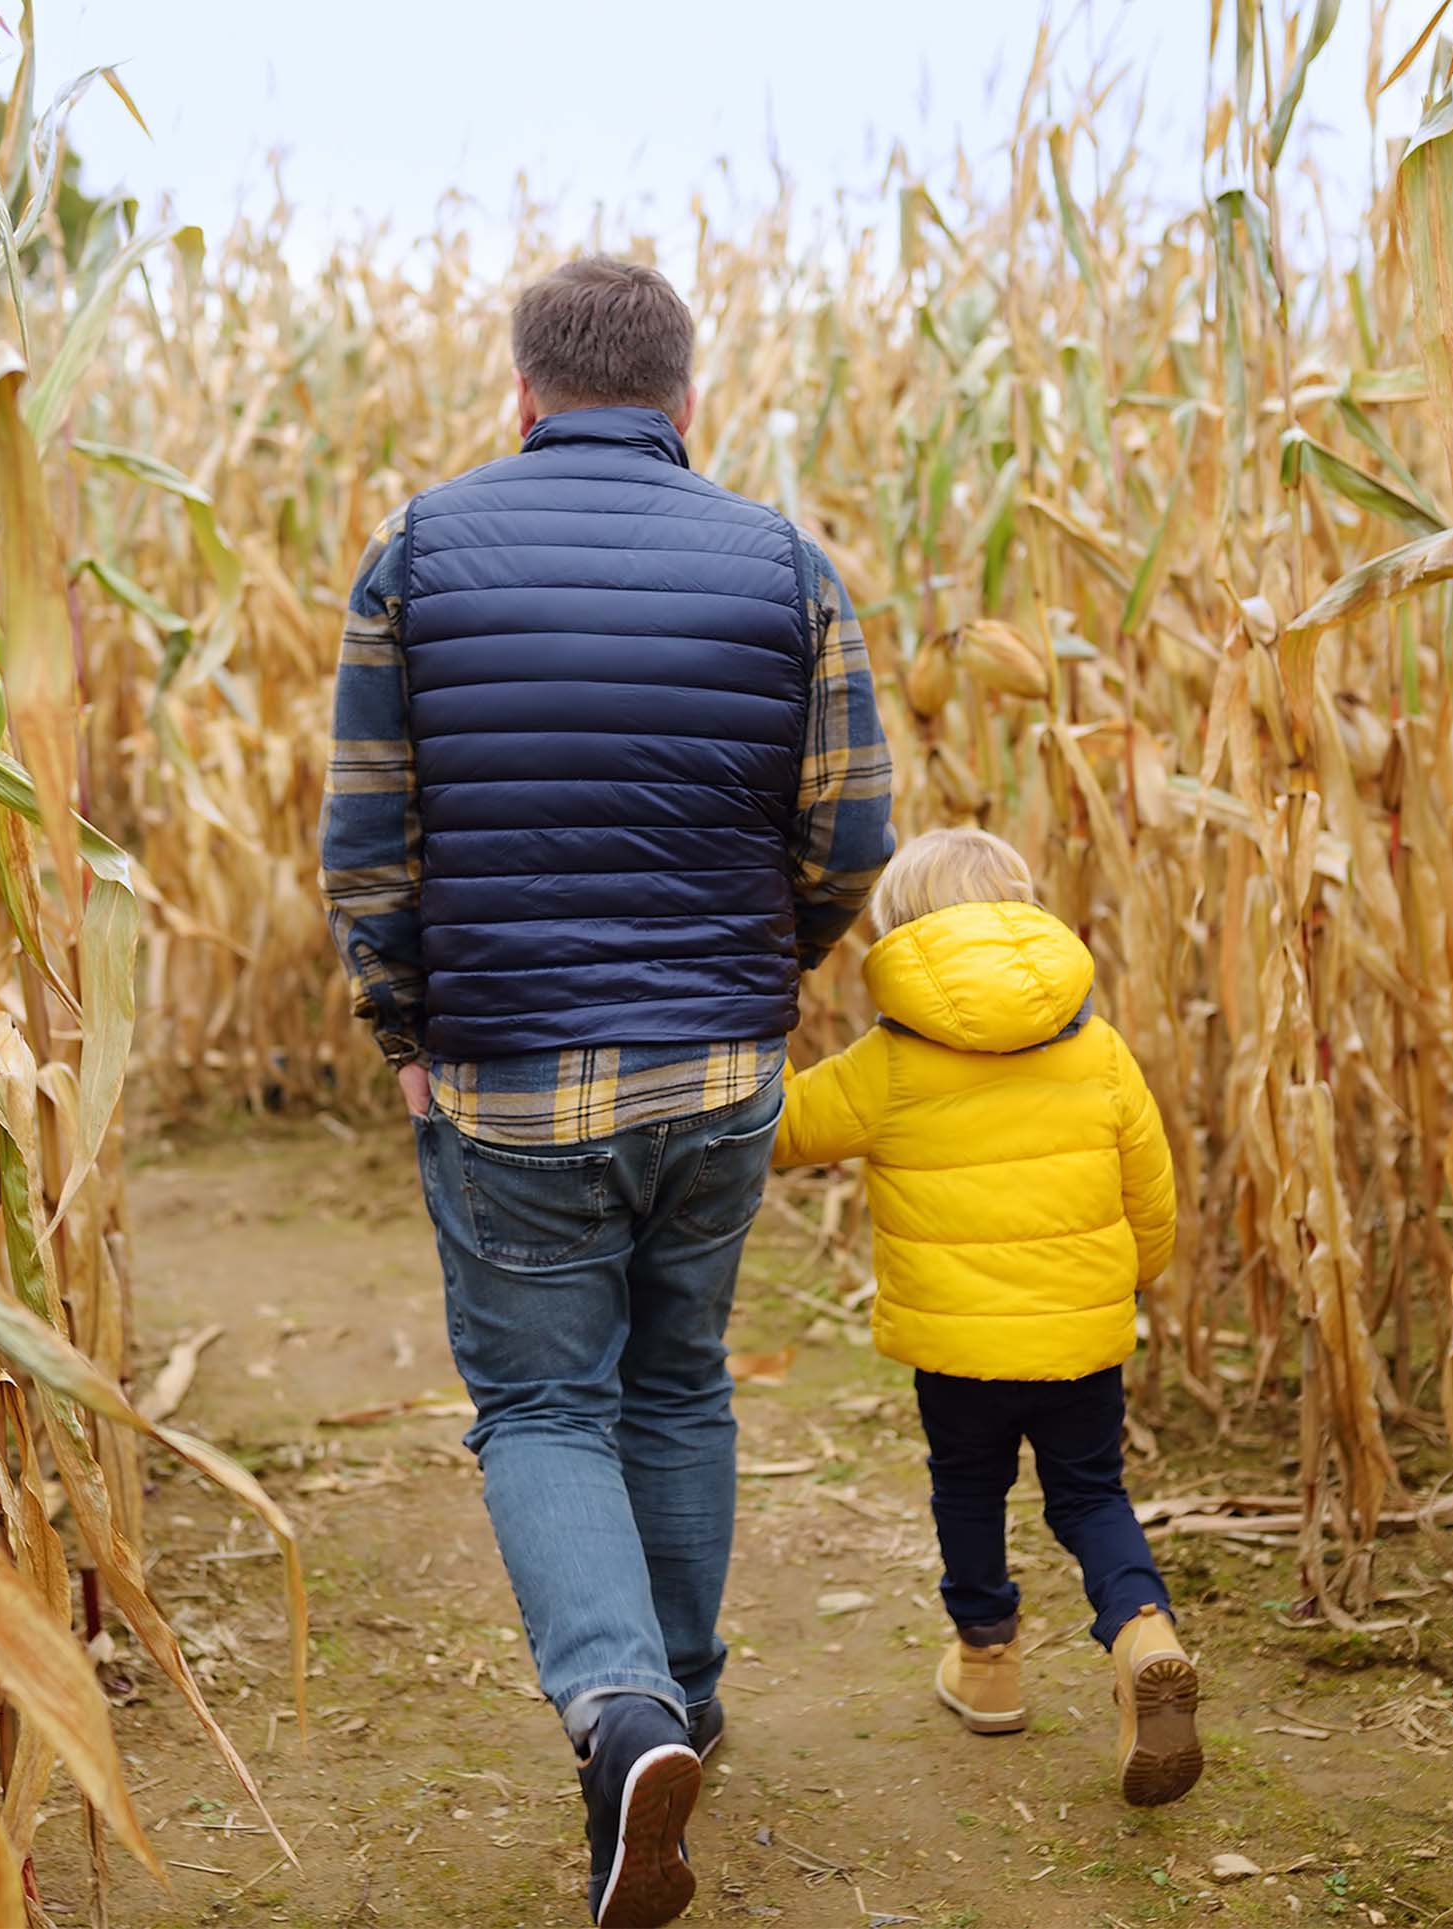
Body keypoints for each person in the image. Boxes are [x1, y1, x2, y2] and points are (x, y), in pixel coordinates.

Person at [319, 255, 895, 1927]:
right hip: (717, 1064)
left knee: (544, 1404)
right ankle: (685, 1703)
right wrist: (758, 968)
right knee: (676, 1376)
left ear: (519, 393)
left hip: (507, 1077)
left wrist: (404, 1025)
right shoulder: (785, 562)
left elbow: (371, 838)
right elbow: (846, 830)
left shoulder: (416, 552)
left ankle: (620, 1710)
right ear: (683, 402)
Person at [771, 827, 1201, 1806]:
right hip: (1079, 1335)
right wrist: (1126, 1280)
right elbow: (1150, 1187)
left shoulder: (889, 1062)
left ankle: (989, 1669)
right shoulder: (1093, 1047)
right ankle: (1142, 1632)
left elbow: (783, 1132)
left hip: (957, 1350)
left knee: (966, 1490)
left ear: (901, 933)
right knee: (1088, 1495)